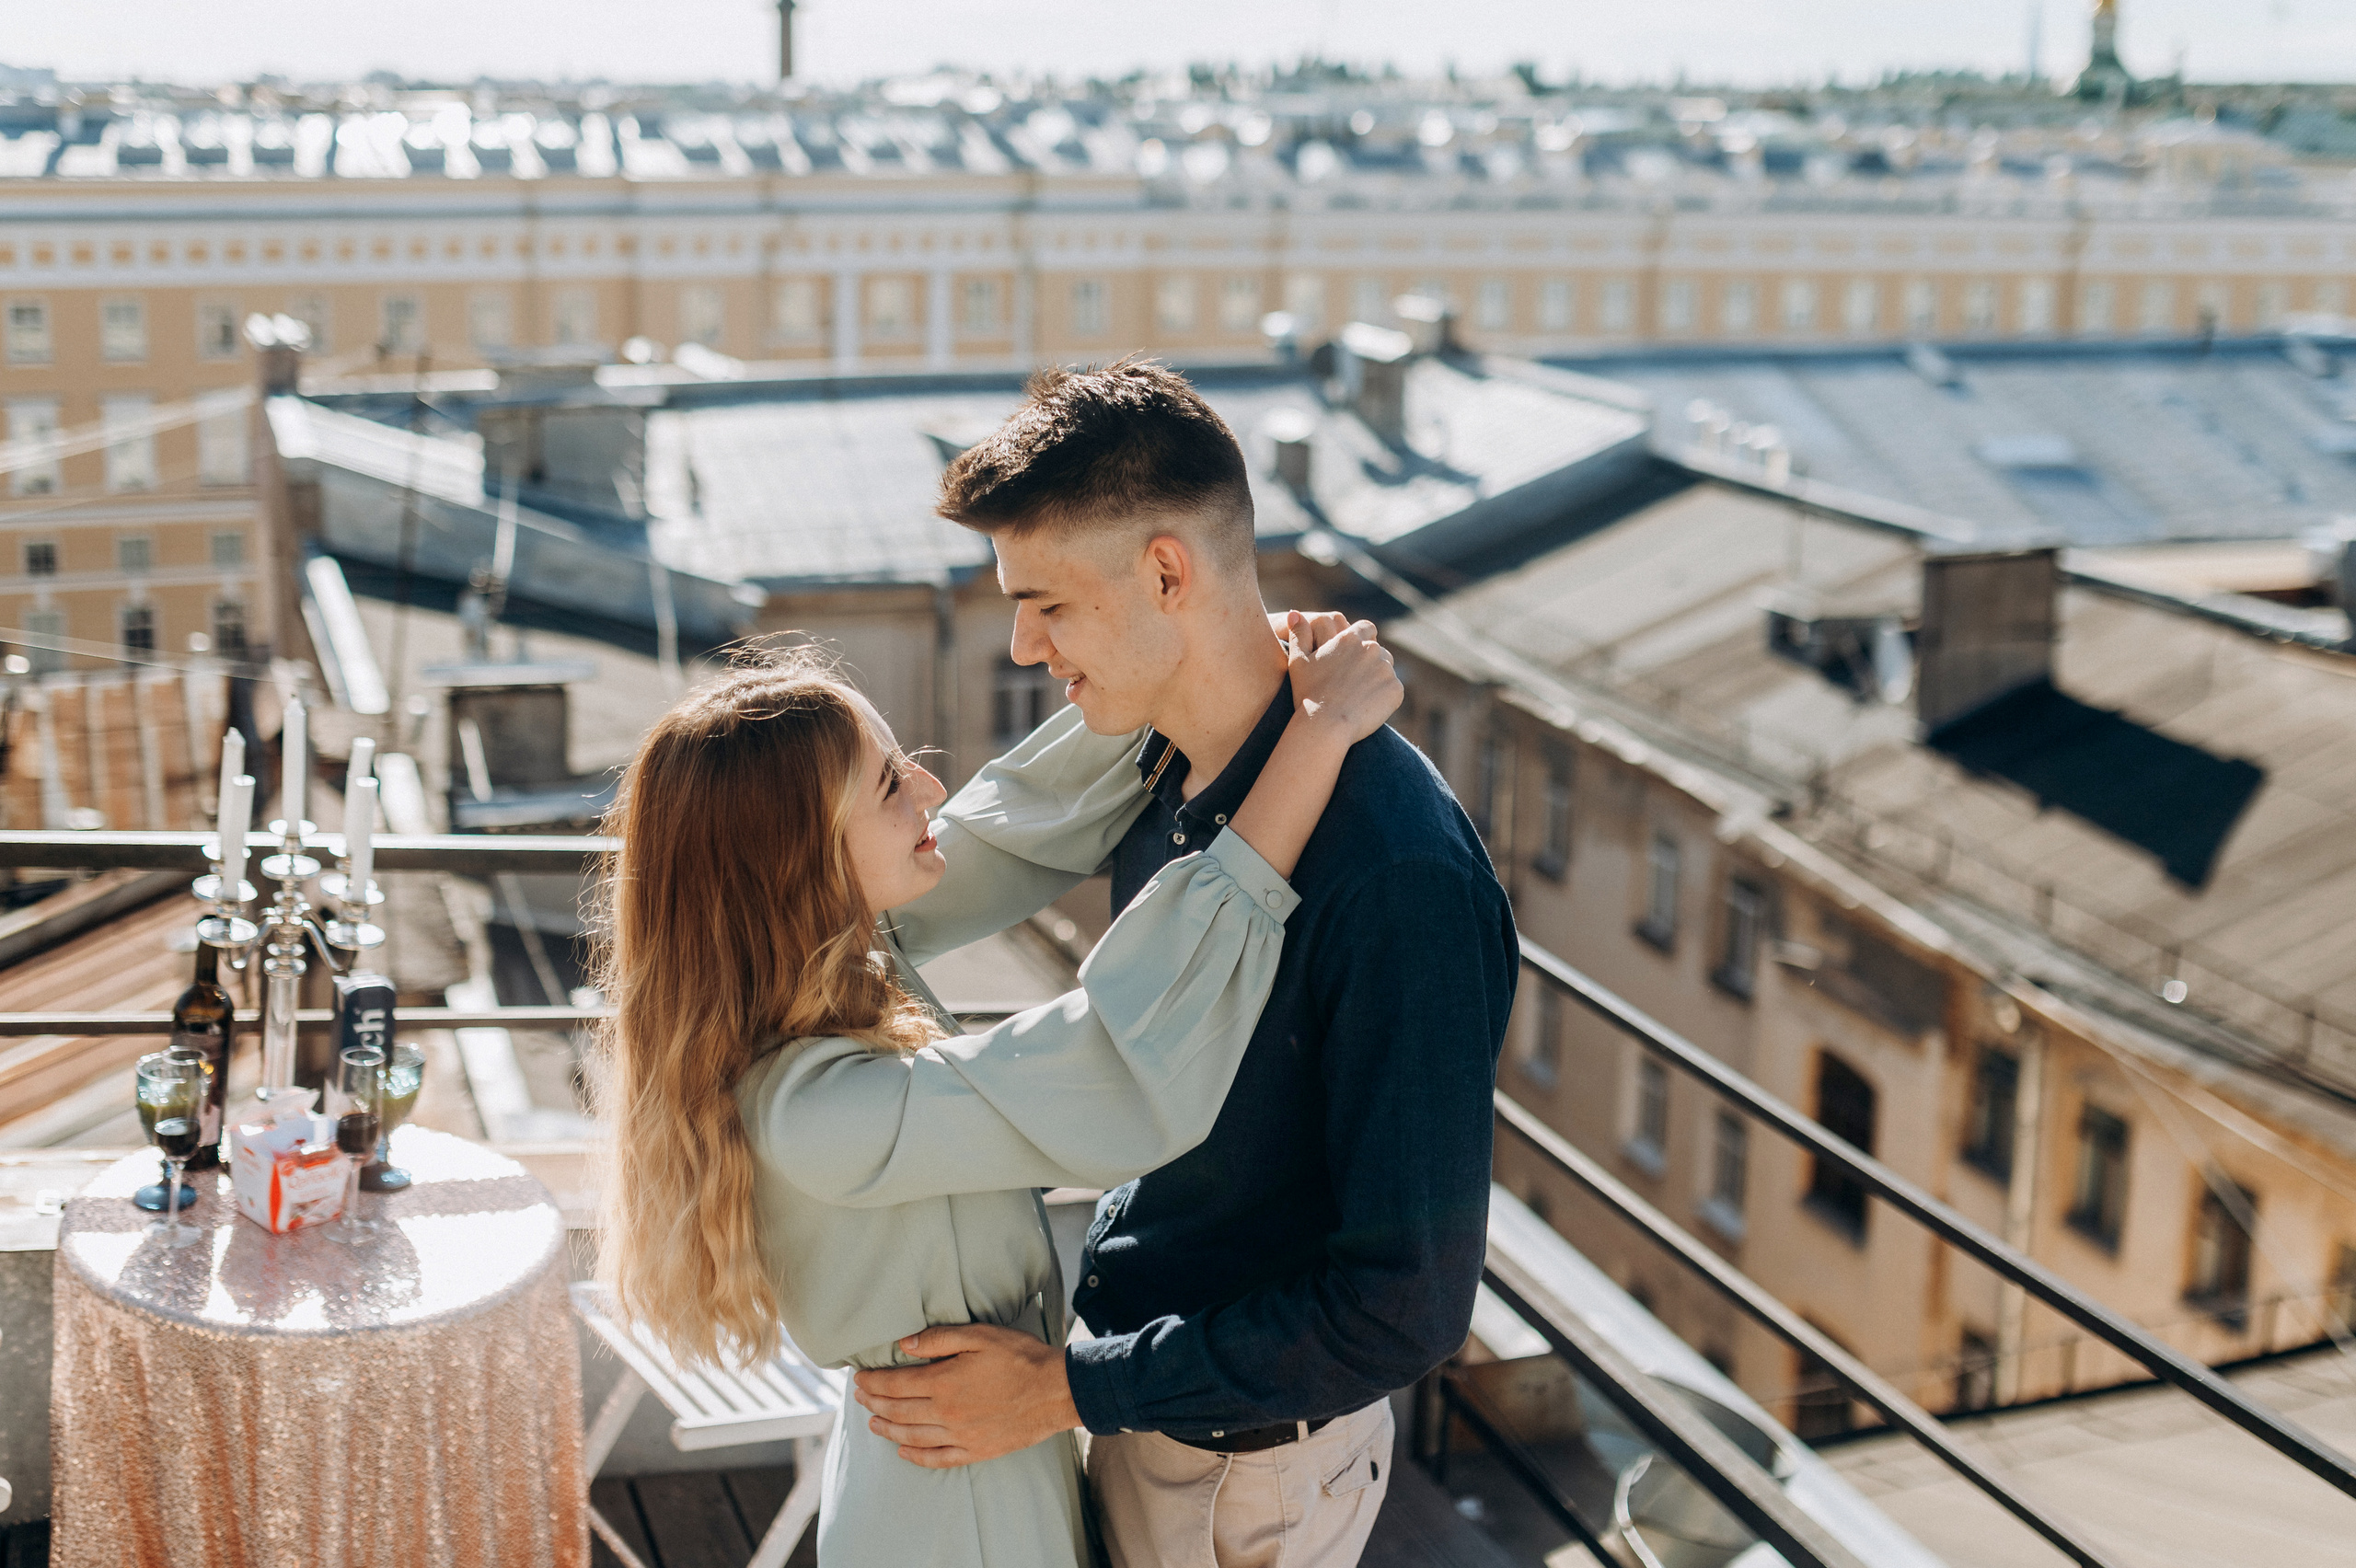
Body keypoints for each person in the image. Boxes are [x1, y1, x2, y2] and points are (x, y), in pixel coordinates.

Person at [851, 358, 1519, 1568]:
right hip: (1145, 1407)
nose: (1019, 647)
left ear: (1167, 572)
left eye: (1047, 602)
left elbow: (1405, 1305)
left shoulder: (1395, 875)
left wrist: (1068, 1390)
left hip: (1246, 1476)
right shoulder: (1165, 756)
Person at [594, 622, 1401, 1568]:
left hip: (962, 1462)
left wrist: (1210, 653)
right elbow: (1111, 1062)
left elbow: (1016, 819)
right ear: (797, 863)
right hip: (957, 1509)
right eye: (891, 783)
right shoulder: (815, 1110)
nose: (932, 789)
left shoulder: (832, 961)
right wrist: (1316, 730)